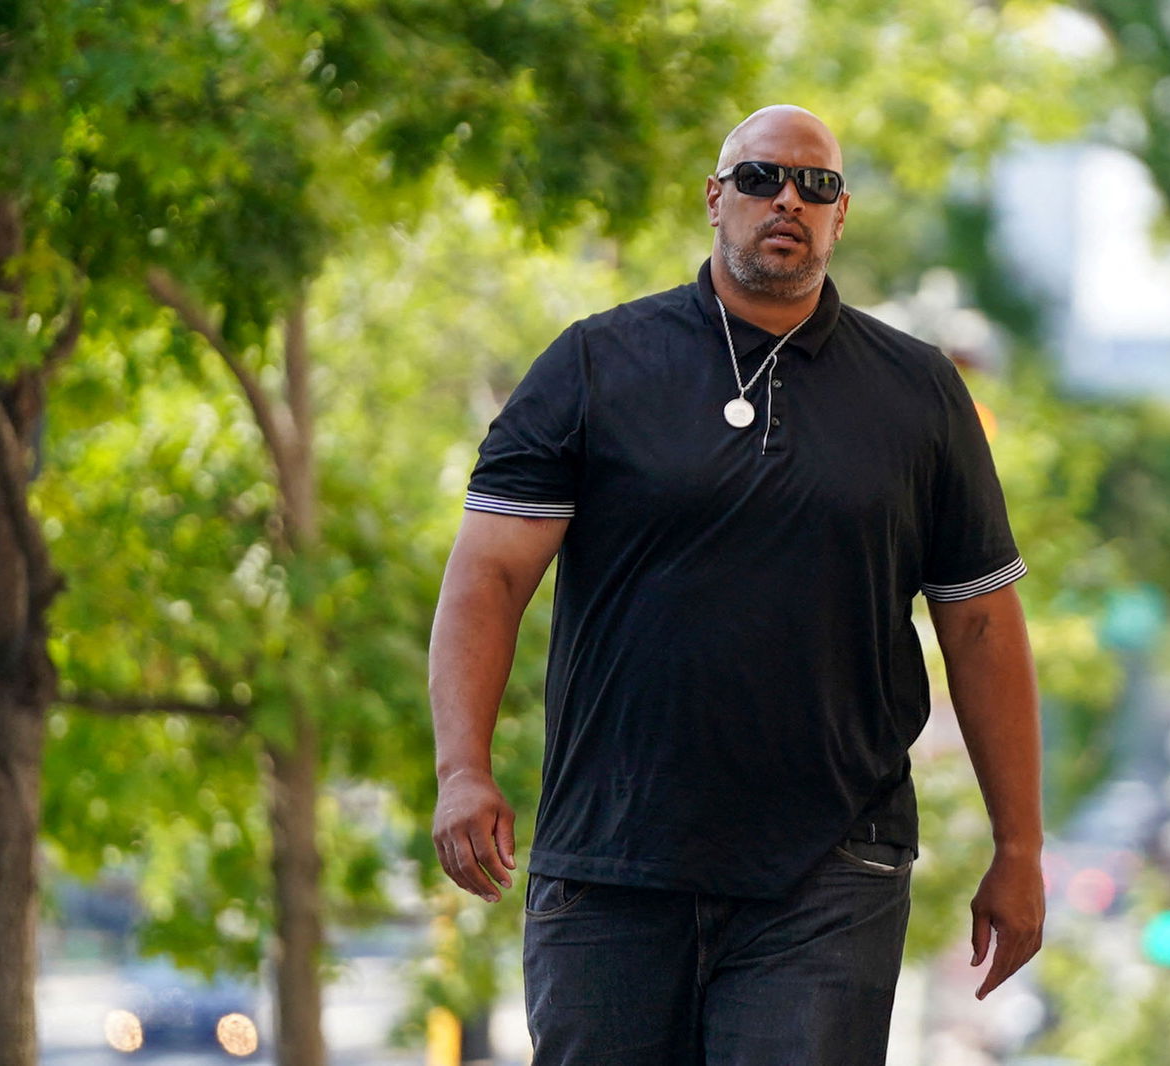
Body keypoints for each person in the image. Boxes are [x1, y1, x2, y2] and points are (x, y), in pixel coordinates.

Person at [429, 104, 1044, 1066]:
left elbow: (982, 629)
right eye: (760, 178)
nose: (788, 199)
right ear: (717, 200)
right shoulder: (595, 365)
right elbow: (489, 577)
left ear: (842, 217)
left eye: (817, 185)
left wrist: (1020, 849)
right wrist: (461, 768)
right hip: (613, 857)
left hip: (832, 864)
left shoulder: (920, 394)